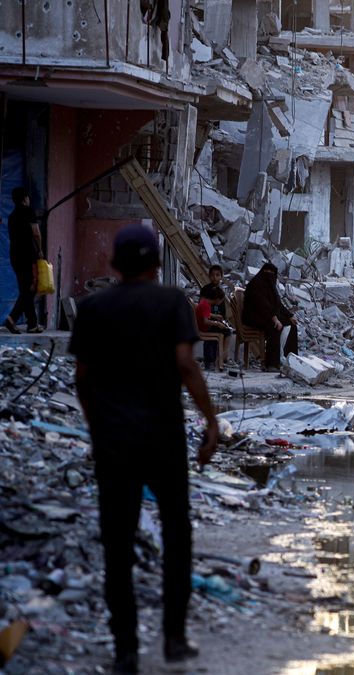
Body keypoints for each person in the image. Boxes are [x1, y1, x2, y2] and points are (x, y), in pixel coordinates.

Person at [70, 223, 220, 674]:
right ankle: (173, 640)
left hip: (115, 441)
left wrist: (98, 433)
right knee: (177, 535)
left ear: (114, 265)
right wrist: (212, 422)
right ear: (157, 264)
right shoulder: (172, 301)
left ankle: (126, 651)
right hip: (163, 440)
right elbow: (185, 366)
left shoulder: (93, 308)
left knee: (117, 544)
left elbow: (82, 378)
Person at [242, 263, 298, 371]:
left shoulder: (271, 287)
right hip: (254, 316)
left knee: (292, 324)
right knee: (274, 326)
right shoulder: (256, 284)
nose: (270, 276)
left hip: (267, 315)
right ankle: (272, 364)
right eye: (267, 273)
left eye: (272, 274)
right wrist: (275, 318)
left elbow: (277, 304)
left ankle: (291, 360)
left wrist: (289, 315)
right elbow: (262, 304)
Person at [4, 187, 43, 334]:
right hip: (28, 256)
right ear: (25, 198)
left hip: (15, 256)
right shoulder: (28, 212)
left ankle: (32, 324)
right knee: (30, 289)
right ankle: (12, 318)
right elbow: (36, 234)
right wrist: (39, 250)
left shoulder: (12, 216)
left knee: (26, 290)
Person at [195, 285, 235, 370]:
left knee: (225, 330)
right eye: (221, 300)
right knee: (227, 331)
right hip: (205, 328)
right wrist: (217, 324)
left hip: (202, 327)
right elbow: (206, 321)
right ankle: (222, 356)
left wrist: (215, 316)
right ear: (217, 299)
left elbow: (205, 314)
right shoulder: (206, 305)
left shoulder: (204, 302)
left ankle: (218, 358)